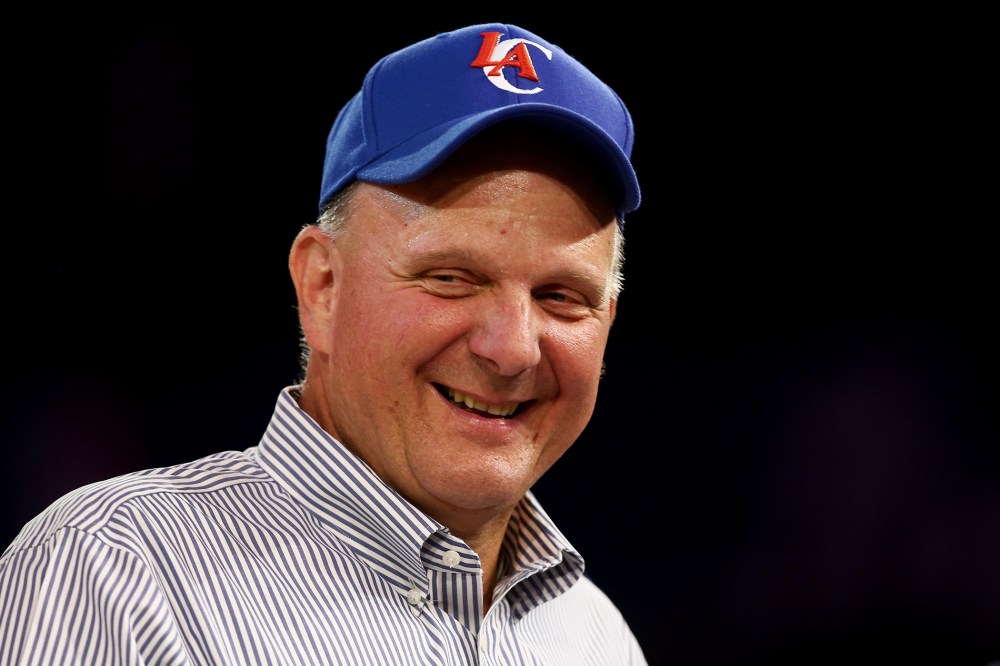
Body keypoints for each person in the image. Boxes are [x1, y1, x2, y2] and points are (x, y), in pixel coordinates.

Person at [0, 22, 646, 665]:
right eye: (451, 279)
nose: (512, 349)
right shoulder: (115, 573)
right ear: (322, 286)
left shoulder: (594, 638)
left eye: (561, 296)